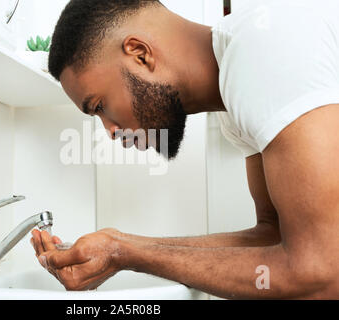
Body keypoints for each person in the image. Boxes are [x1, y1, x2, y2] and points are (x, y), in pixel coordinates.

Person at [30, 0, 339, 299]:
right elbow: (272, 237)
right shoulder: (234, 94)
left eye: (99, 106)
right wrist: (119, 248)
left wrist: (124, 252)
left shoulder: (263, 51)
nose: (110, 132)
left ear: (139, 53)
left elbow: (321, 276)